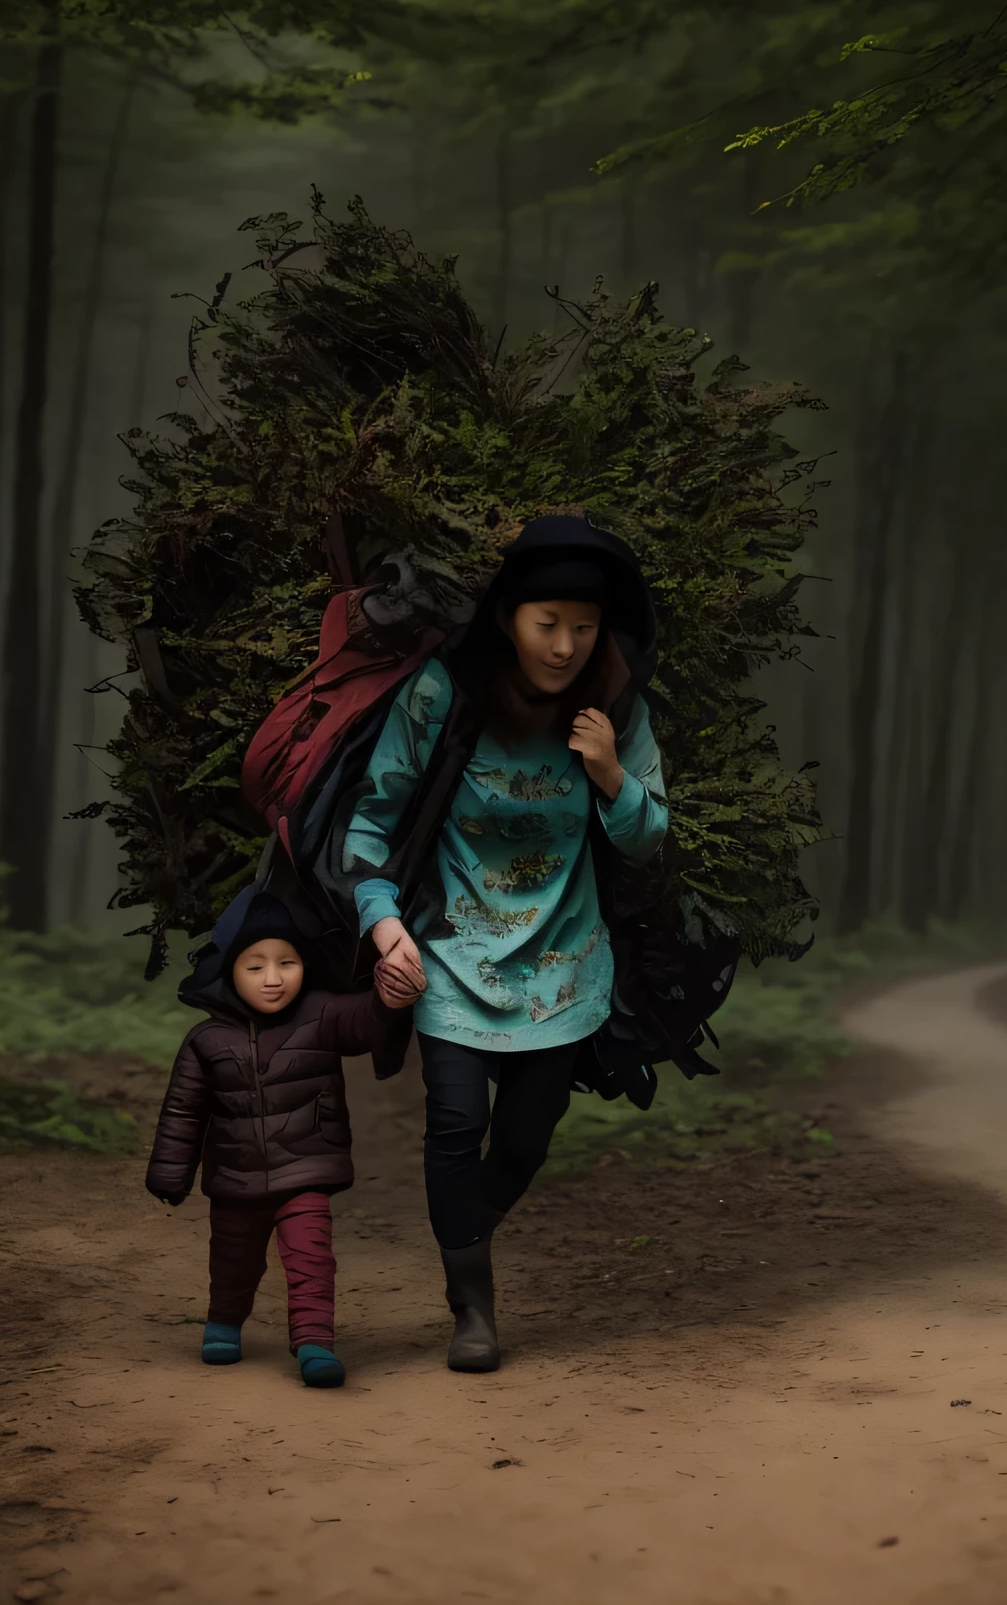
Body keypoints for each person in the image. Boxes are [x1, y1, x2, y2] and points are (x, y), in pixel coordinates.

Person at [343, 514, 668, 1374]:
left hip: (563, 965)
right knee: (454, 1127)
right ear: (506, 618)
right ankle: (472, 1310)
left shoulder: (617, 702)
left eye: (583, 626)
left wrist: (609, 772)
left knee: (523, 1142)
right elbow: (370, 826)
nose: (565, 645)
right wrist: (385, 926)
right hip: (449, 955)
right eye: (546, 622)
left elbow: (648, 837)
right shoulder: (443, 696)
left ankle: (461, 1226)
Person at [144, 891, 420, 1387]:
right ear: (229, 970)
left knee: (311, 1256)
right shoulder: (205, 1039)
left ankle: (315, 1342)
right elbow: (183, 1111)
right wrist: (170, 1172)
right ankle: (224, 1322)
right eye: (255, 966)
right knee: (233, 1259)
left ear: (304, 964)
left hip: (305, 1170)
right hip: (234, 1179)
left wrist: (389, 999)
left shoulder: (321, 1012)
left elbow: (367, 1023)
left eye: (286, 962)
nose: (273, 978)